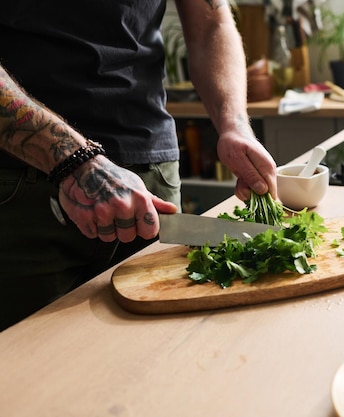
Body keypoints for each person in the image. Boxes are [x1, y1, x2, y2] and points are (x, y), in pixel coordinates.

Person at [0, 0, 277, 331]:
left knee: (163, 355)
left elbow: (212, 23)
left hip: (153, 179)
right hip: (20, 189)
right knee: (32, 367)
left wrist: (235, 124)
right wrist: (74, 160)